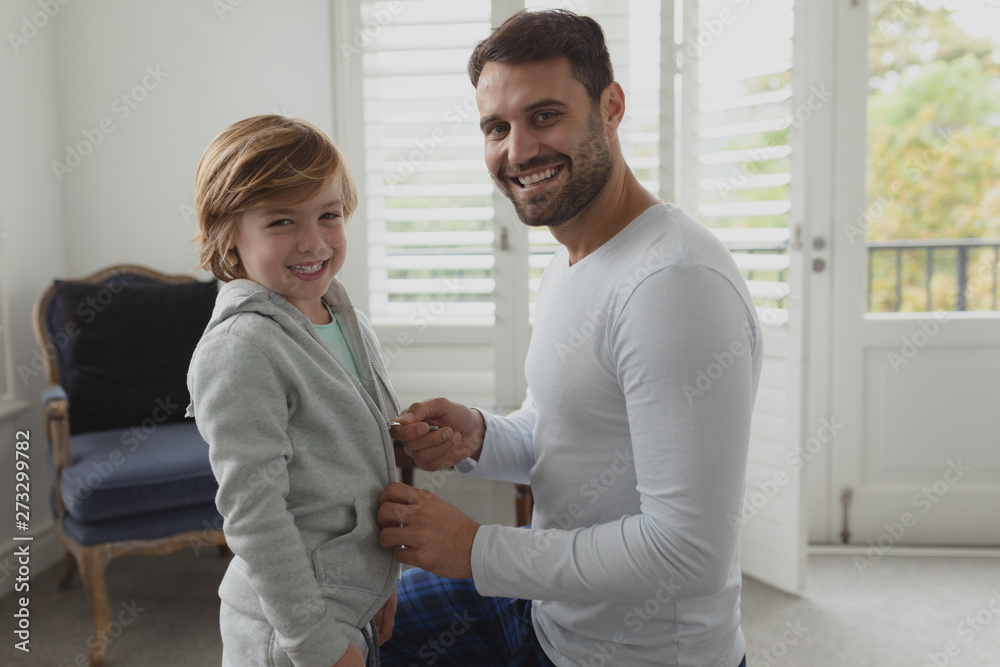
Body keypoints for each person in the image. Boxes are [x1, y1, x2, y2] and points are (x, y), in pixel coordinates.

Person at [378, 9, 760, 667]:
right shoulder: (575, 255)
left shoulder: (674, 284)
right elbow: (575, 436)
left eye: (545, 115)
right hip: (545, 610)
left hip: (630, 654)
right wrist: (482, 436)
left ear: (610, 107)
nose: (518, 150)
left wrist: (477, 549)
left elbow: (689, 552)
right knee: (343, 633)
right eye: (497, 127)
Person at [187, 115, 400, 667]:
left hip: (350, 600)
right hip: (292, 630)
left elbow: (355, 462)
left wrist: (382, 577)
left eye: (328, 215)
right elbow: (255, 515)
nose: (313, 242)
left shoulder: (343, 317)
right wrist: (315, 644)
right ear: (227, 232)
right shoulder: (241, 348)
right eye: (281, 221)